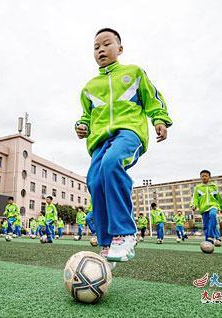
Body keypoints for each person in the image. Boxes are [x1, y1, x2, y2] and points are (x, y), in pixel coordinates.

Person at [75, 28, 172, 262]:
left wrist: (159, 119)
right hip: (100, 140)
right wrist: (81, 125)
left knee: (111, 163)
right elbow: (86, 116)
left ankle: (126, 234)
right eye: (96, 47)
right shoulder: (89, 87)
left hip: (129, 133)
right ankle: (107, 243)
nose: (101, 50)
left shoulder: (134, 72)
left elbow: (153, 98)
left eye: (106, 44)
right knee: (95, 181)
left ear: (120, 48)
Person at [191, 170, 222, 246]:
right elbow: (195, 198)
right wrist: (194, 205)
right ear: (200, 177)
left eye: (206, 176)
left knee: (212, 215)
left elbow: (219, 197)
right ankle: (208, 242)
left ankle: (211, 236)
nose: (204, 177)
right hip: (203, 208)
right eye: (202, 176)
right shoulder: (197, 187)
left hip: (213, 206)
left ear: (209, 177)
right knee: (206, 225)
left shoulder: (214, 186)